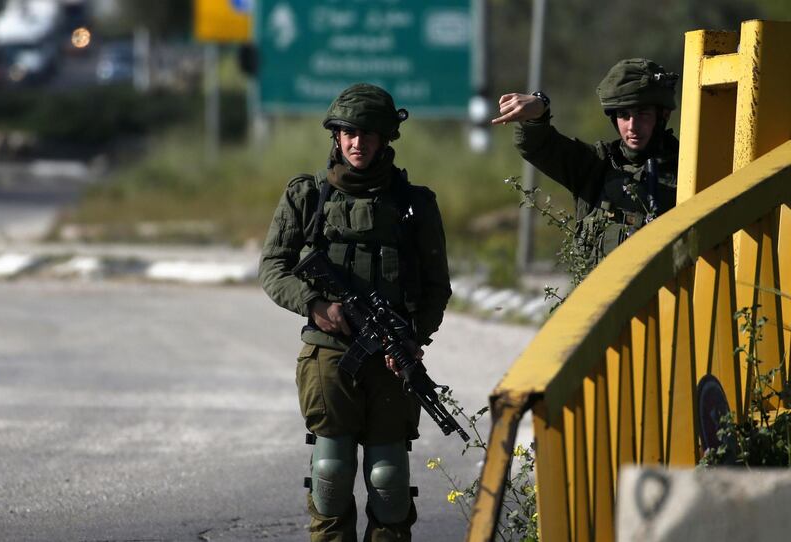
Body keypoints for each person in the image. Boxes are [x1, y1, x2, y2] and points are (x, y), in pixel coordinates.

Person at [258, 83, 451, 541]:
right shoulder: (308, 197)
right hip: (328, 355)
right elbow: (273, 268)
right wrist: (315, 305)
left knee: (388, 481)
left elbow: (436, 288)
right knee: (332, 470)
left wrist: (411, 340)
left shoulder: (414, 204)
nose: (357, 142)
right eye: (347, 132)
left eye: (367, 133)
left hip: (390, 359)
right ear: (336, 137)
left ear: (385, 138)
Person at [492, 58, 680, 267]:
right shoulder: (596, 166)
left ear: (663, 115)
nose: (632, 126)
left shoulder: (689, 167)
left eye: (642, 114)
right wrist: (538, 111)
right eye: (624, 115)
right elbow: (537, 145)